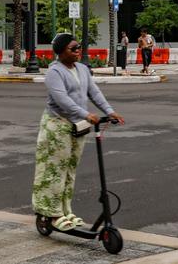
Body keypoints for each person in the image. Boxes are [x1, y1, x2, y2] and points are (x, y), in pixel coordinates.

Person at [32, 33, 125, 231]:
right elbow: (61, 99)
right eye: (73, 48)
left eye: (79, 47)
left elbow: (94, 92)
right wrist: (86, 114)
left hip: (77, 126)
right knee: (54, 170)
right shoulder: (54, 72)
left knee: (69, 171)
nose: (77, 51)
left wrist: (109, 111)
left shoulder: (82, 69)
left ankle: (66, 210)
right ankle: (52, 213)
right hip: (57, 126)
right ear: (60, 51)